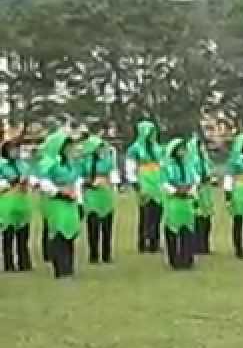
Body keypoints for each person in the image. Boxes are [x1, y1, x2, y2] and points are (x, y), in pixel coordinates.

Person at [37, 130, 83, 279]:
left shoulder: (72, 163)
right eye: (67, 146)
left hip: (70, 203)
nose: (71, 149)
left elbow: (76, 181)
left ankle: (68, 267)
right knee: (59, 234)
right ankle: (61, 269)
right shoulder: (48, 162)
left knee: (70, 234)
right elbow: (44, 183)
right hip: (56, 203)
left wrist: (79, 199)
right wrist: (59, 192)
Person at [80, 129, 120, 265]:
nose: (101, 150)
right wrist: (90, 182)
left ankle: (107, 254)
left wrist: (110, 183)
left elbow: (113, 175)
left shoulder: (107, 160)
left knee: (107, 226)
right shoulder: (84, 161)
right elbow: (79, 177)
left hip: (105, 194)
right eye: (98, 148)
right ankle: (94, 254)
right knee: (93, 225)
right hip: (91, 195)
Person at [125, 119, 164, 254]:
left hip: (157, 183)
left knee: (157, 214)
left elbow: (163, 164)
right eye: (151, 132)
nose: (153, 135)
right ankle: (143, 242)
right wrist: (136, 184)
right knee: (146, 214)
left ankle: (155, 242)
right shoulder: (135, 148)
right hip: (144, 182)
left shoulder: (158, 148)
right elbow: (130, 168)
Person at [161, 138, 198, 270]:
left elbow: (195, 180)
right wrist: (176, 191)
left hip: (187, 201)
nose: (183, 152)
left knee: (187, 230)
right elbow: (164, 182)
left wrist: (190, 190)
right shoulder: (167, 166)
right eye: (180, 149)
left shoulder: (189, 165)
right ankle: (174, 260)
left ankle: (187, 258)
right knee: (172, 229)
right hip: (174, 201)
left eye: (184, 149)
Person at [0, 137, 34, 272]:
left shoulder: (23, 165)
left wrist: (26, 182)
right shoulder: (2, 165)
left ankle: (24, 262)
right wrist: (12, 182)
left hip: (22, 201)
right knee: (8, 235)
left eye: (17, 149)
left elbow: (28, 180)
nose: (16, 152)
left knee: (23, 235)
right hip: (7, 202)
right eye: (12, 150)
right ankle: (8, 264)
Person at [191, 133, 217, 255]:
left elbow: (209, 170)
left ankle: (205, 245)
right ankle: (197, 245)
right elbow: (193, 173)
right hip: (197, 189)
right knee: (198, 218)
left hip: (206, 191)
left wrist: (211, 178)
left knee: (207, 218)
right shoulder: (192, 159)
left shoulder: (205, 158)